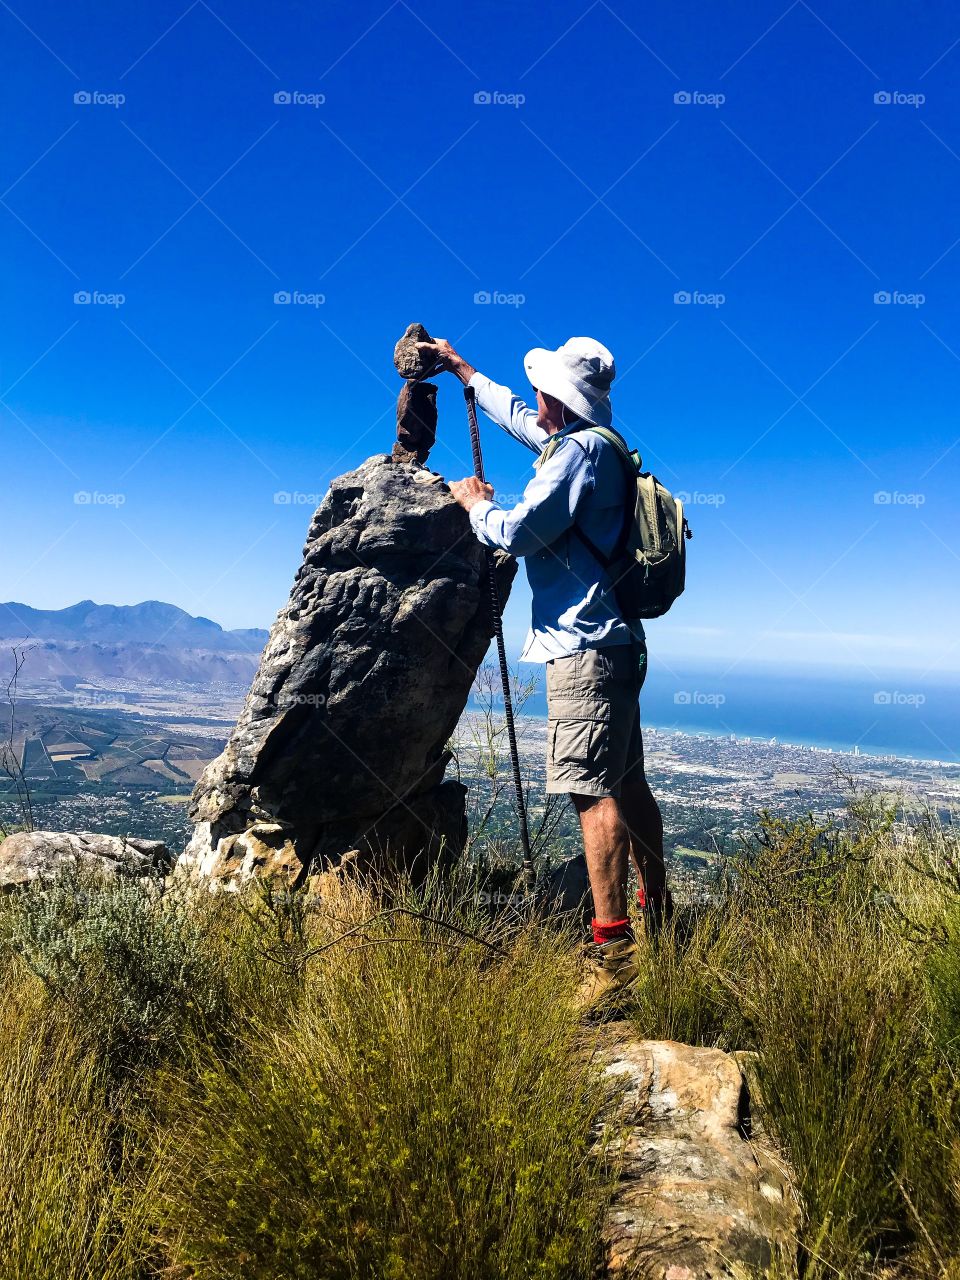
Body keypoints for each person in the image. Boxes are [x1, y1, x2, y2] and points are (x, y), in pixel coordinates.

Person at [417, 334, 671, 1006]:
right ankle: (660, 915)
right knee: (629, 783)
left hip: (582, 650)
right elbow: (518, 421)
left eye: (542, 389)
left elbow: (519, 532)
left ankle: (612, 957)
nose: (534, 398)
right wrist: (464, 371)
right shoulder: (596, 447)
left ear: (557, 395)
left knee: (592, 793)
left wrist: (475, 502)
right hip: (617, 643)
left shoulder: (577, 455)